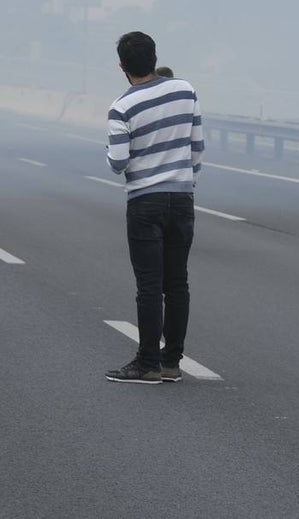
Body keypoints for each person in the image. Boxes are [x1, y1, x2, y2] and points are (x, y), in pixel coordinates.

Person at [104, 32, 204, 384]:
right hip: (182, 198)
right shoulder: (185, 90)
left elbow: (117, 162)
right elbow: (196, 148)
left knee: (149, 285)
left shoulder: (122, 107)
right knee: (177, 283)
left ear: (122, 67)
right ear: (154, 56)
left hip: (145, 201)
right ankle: (171, 362)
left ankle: (145, 362)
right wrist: (182, 178)